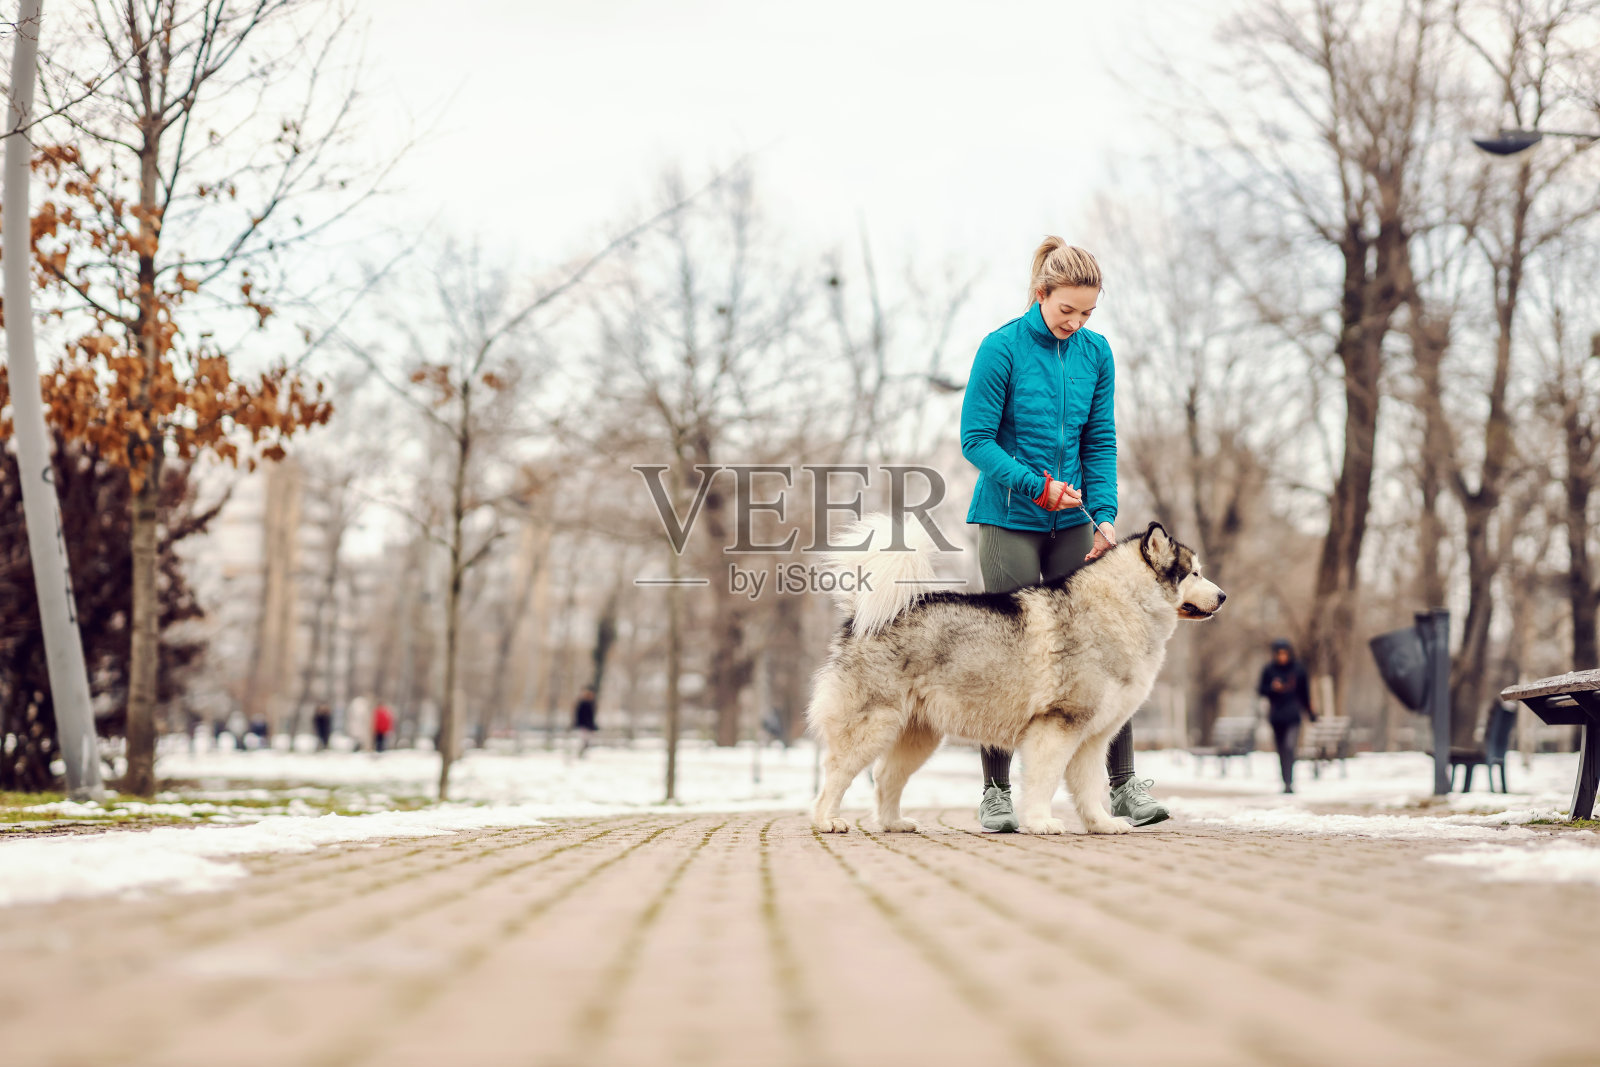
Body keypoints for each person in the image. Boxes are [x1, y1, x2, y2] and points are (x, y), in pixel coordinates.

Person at [959, 236, 1168, 831]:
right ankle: (997, 792)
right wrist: (1035, 486)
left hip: (1075, 521)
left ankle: (1123, 787)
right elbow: (977, 440)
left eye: (1087, 313)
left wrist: (1103, 514)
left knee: (1111, 645)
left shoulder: (1096, 353)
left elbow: (1099, 440)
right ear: (1040, 294)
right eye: (1065, 311)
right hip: (1008, 519)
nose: (1075, 323)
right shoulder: (1000, 348)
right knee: (1007, 653)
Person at [1258, 638, 1314, 793]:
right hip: (1276, 716)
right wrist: (1272, 688)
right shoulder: (1269, 670)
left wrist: (1310, 712)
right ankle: (1286, 782)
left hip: (1293, 716)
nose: (1282, 657)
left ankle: (1290, 782)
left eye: (1285, 653)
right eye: (1279, 654)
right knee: (1281, 750)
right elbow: (1261, 690)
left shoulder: (1298, 670)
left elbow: (1305, 694)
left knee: (1290, 747)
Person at [572, 686, 598, 758]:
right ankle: (581, 754)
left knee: (587, 741)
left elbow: (591, 717)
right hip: (583, 726)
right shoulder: (583, 704)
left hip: (588, 726)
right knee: (584, 740)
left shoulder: (591, 703)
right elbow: (580, 715)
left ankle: (582, 753)